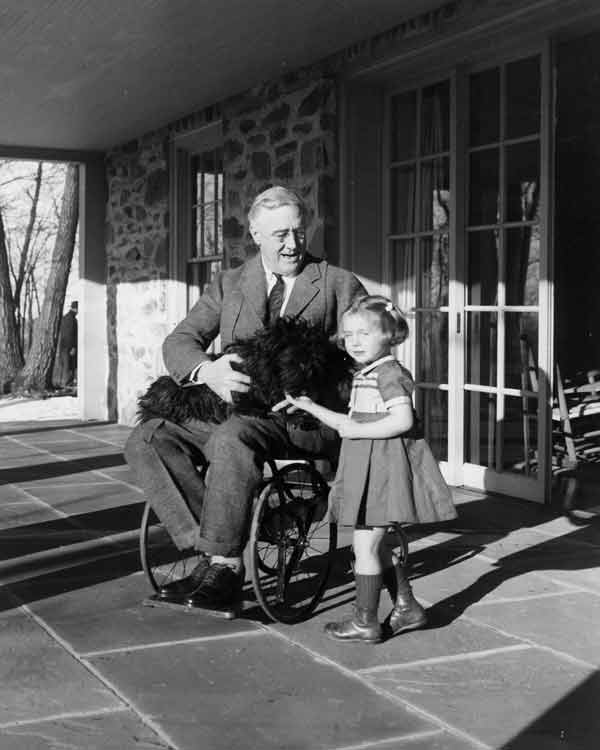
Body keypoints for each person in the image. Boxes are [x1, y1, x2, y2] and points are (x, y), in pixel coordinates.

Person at [124, 186, 366, 612]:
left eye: (298, 232)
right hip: (235, 409)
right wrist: (208, 371)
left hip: (300, 419)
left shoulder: (338, 284)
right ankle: (213, 550)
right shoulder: (231, 282)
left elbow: (366, 361)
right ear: (255, 233)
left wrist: (320, 395)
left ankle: (226, 564)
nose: (293, 244)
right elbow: (180, 340)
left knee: (233, 437)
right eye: (280, 235)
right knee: (148, 437)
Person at [280, 295, 457, 643]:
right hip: (369, 467)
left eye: (364, 333)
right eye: (348, 335)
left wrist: (358, 430)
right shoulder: (368, 372)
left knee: (363, 548)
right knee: (375, 544)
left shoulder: (389, 373)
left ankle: (366, 621)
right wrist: (309, 406)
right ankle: (407, 608)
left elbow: (402, 420)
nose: (354, 341)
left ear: (389, 335)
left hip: (383, 471)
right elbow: (350, 422)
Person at [54, 301, 78, 388]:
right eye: (78, 309)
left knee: (64, 366)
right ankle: (67, 385)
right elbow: (70, 334)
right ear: (75, 308)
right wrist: (73, 347)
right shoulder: (71, 319)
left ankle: (62, 383)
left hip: (64, 346)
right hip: (68, 347)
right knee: (68, 367)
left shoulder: (65, 317)